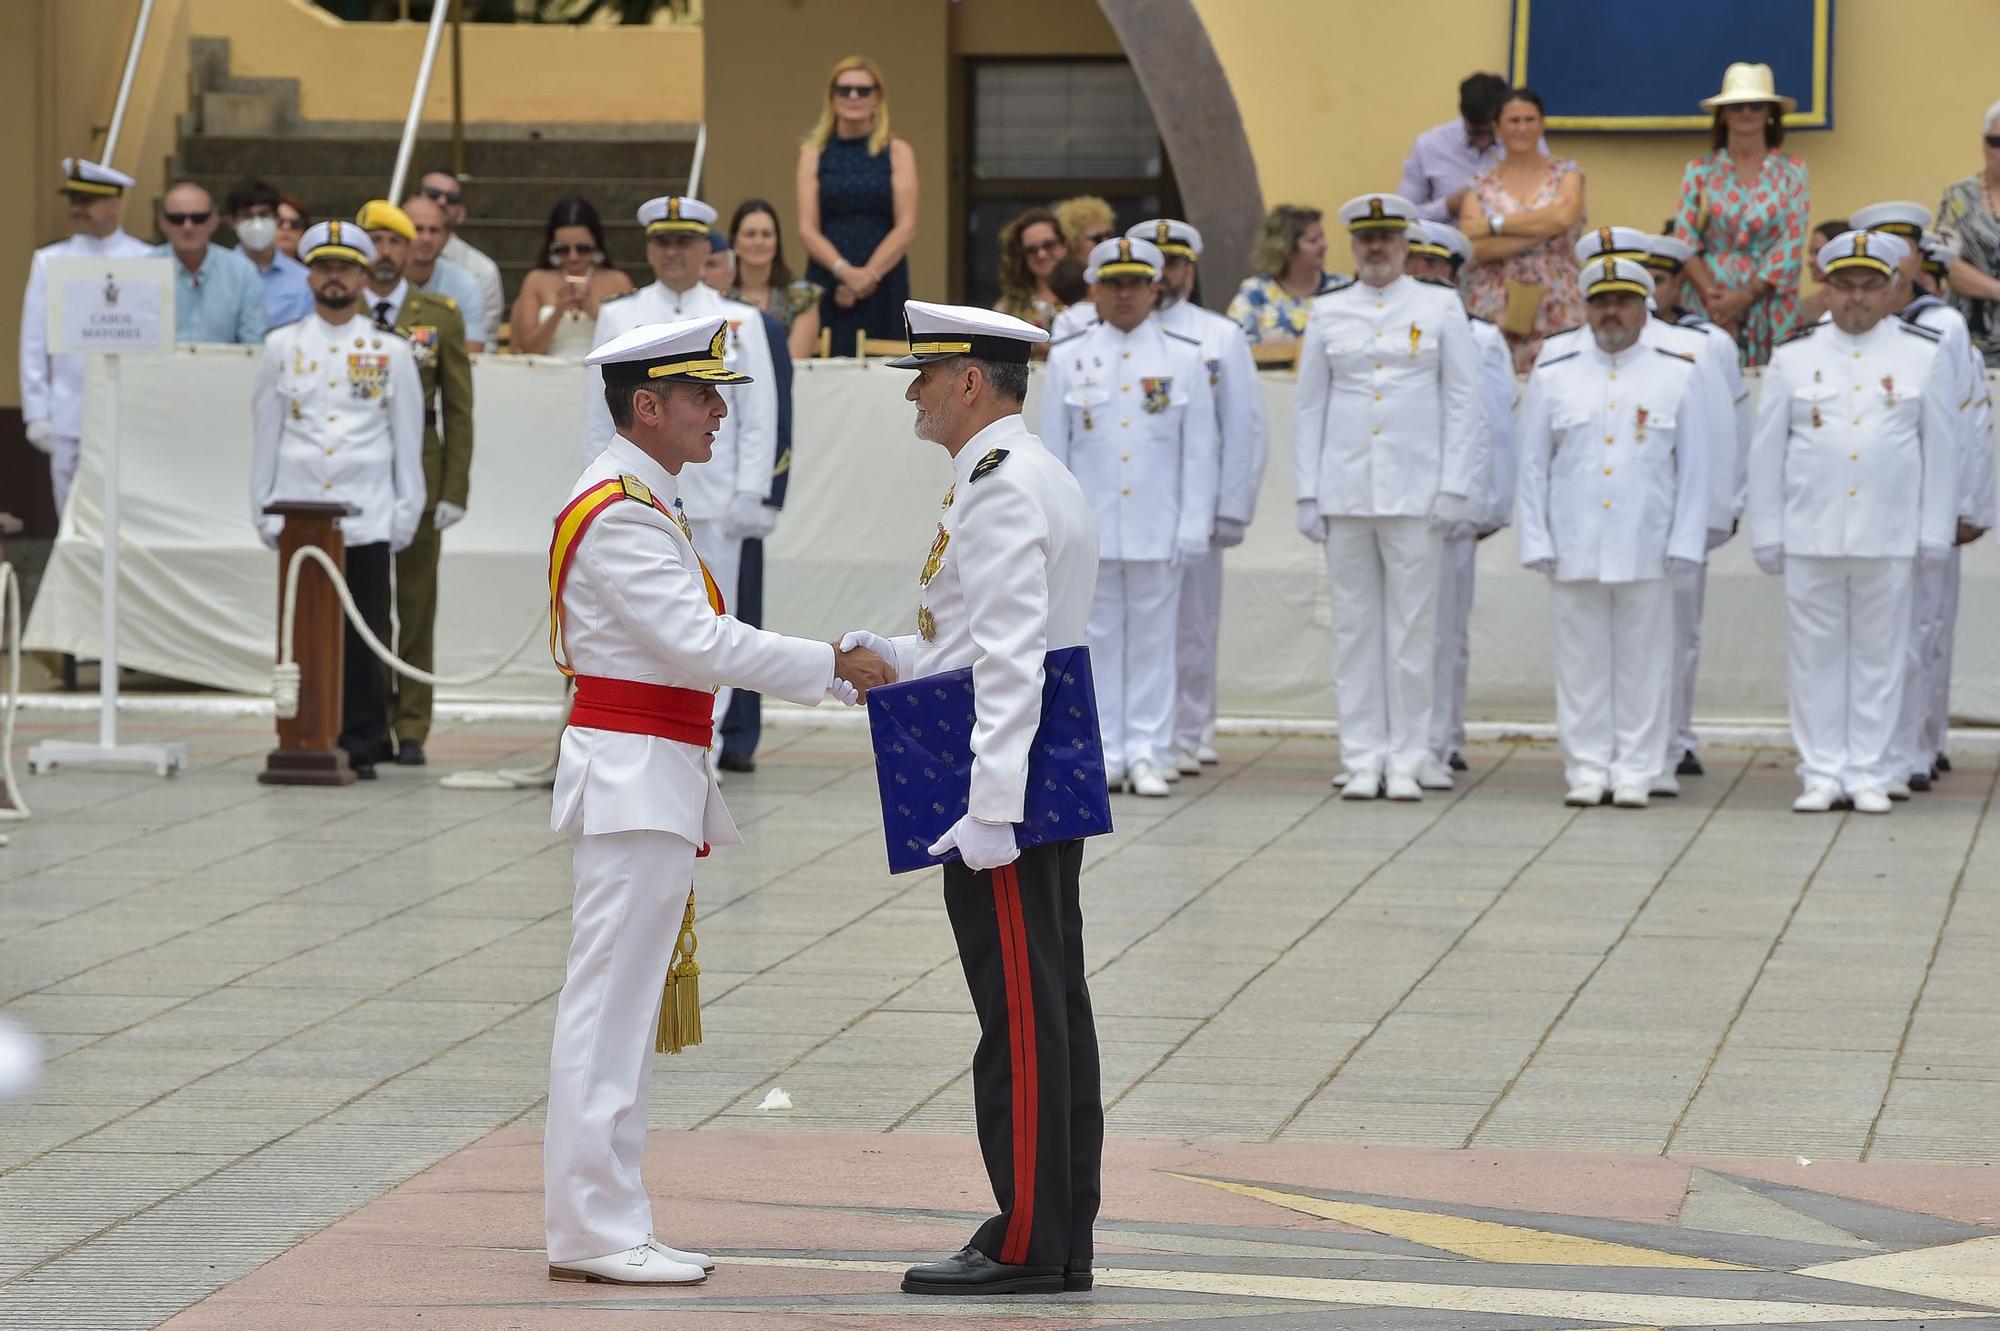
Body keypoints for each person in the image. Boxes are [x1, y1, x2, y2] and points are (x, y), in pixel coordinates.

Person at [544, 315, 892, 1286]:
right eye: (700, 395)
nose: (719, 410)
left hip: (650, 768)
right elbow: (701, 643)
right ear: (646, 406)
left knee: (618, 1009)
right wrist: (830, 665)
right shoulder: (617, 510)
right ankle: (592, 1223)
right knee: (607, 1012)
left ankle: (607, 1213)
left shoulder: (639, 497)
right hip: (634, 771)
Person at [839, 299, 1101, 1297]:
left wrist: (989, 806)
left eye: (924, 372)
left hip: (1009, 778)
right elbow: (975, 638)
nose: (912, 389)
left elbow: (1009, 656)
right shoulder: (1022, 472)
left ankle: (1029, 1237)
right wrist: (891, 658)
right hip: (1038, 760)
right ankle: (1056, 1229)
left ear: (968, 382)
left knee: (1022, 1015)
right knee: (1049, 1001)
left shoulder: (995, 485)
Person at [1747, 231, 1958, 815]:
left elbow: (1940, 451)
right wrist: (1767, 531)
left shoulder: (1921, 354)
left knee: (1882, 657)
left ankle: (1869, 769)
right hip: (1812, 532)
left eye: (1869, 287)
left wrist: (1934, 531)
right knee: (1814, 657)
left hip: (1889, 533)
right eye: (1844, 287)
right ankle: (1820, 771)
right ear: (1827, 288)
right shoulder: (1794, 357)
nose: (1856, 299)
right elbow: (1767, 455)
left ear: (1892, 288)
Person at [582, 195, 780, 759]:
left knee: (716, 619)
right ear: (649, 248)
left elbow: (759, 412)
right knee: (648, 620)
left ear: (705, 249)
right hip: (635, 495)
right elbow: (600, 417)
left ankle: (707, 743)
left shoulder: (739, 318)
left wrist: (751, 490)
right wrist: (592, 490)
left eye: (684, 241)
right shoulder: (619, 314)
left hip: (715, 495)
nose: (672, 252)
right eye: (662, 242)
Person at [1294, 193, 1478, 801]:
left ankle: (1408, 756)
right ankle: (1362, 755)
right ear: (1354, 245)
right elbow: (1310, 406)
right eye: (1366, 238)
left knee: (1412, 631)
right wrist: (1307, 491)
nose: (1376, 248)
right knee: (1352, 631)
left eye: (1387, 237)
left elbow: (1463, 404)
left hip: (1416, 493)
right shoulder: (1329, 311)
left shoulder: (1441, 306)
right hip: (1346, 492)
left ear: (1404, 243)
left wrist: (1455, 485)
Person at [1516, 257, 1712, 809]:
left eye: (1622, 301)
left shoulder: (1677, 371)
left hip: (1647, 539)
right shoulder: (1555, 372)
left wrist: (1685, 541)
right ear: (1586, 306)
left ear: (1643, 307)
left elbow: (1695, 467)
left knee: (1646, 663)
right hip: (1575, 538)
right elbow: (1533, 464)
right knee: (1579, 664)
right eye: (1600, 301)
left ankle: (1637, 769)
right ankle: (1586, 767)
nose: (1611, 312)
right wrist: (1536, 537)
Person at [1042, 238, 1217, 798]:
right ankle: (1104, 751)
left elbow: (1200, 451)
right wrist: (1054, 529)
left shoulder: (1183, 355)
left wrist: (1194, 525)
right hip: (1090, 528)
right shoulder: (1068, 356)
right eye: (1114, 284)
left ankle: (1149, 750)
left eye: (1136, 283)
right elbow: (1053, 452)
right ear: (1094, 289)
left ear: (1155, 288)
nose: (1125, 294)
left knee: (1155, 642)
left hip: (1157, 525)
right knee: (1091, 642)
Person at [248, 221, 423, 779]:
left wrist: (406, 508)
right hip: (299, 513)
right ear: (310, 276)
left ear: (362, 276)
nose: (333, 278)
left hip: (365, 511)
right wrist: (262, 505)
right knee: (304, 631)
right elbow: (266, 433)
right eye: (323, 268)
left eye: (344, 268)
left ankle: (364, 741)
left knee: (364, 631)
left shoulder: (390, 350)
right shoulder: (282, 346)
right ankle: (304, 731)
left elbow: (407, 438)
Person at [1848, 202, 1995, 798]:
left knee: (1927, 627)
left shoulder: (1944, 327)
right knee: (1879, 631)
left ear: (1917, 258)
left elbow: (1968, 422)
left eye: (1900, 249)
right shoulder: (1858, 325)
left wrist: (1967, 505)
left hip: (1931, 503)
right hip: (1877, 501)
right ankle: (1888, 744)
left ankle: (1919, 743)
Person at [1126, 218, 1267, 776]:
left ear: (1189, 269)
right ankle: (1141, 736)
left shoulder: (1219, 335)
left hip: (1197, 505)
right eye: (1155, 264)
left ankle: (1190, 729)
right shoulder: (1109, 333)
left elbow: (1245, 428)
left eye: (1176, 264)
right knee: (1131, 627)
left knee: (1194, 623)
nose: (1166, 275)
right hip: (1136, 507)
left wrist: (1231, 506)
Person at [357, 199, 475, 768]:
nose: (384, 253)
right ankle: (367, 715)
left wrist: (455, 488)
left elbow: (458, 408)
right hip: (357, 477)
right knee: (365, 601)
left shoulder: (439, 314)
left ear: (412, 250)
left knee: (416, 604)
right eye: (374, 241)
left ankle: (411, 726)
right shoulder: (343, 311)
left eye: (394, 242)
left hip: (421, 476)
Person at [1634, 229, 1751, 782]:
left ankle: (1676, 736)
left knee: (1680, 630)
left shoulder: (1707, 344)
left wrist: (1723, 506)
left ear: (1680, 283)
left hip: (1685, 506)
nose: (1649, 292)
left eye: (1658, 280)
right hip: (1630, 506)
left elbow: (1731, 430)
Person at [1405, 221, 1514, 778]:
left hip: (1452, 508)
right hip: (1397, 503)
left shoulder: (1482, 337)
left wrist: (1485, 506)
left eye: (1435, 266)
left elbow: (1492, 426)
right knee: (1397, 629)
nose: (1424, 274)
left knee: (1444, 630)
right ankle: (1402, 739)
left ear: (1454, 274)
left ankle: (1441, 739)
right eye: (1415, 263)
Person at [18, 158, 153, 514]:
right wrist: (37, 411)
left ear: (114, 202)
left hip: (129, 412)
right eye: (74, 200)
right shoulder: (50, 260)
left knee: (127, 513)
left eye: (87, 201)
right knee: (71, 517)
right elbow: (34, 341)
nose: (77, 209)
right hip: (67, 411)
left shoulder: (146, 259)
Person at [1672, 63, 1810, 367]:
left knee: (1772, 386)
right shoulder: (1699, 170)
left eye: (1756, 105)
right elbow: (1684, 239)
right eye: (1736, 106)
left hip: (1768, 299)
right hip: (1709, 296)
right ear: (1723, 114)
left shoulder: (1792, 171)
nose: (1746, 112)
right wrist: (1716, 300)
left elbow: (1792, 239)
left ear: (1770, 112)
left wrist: (1746, 296)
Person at [1458, 88, 1585, 373]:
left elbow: (1565, 217)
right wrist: (1546, 227)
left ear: (1542, 124)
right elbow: (1473, 245)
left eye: (1530, 119)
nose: (1522, 128)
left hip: (1558, 299)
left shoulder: (1567, 172)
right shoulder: (1480, 184)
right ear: (1497, 127)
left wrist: (1494, 225)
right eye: (1514, 121)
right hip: (1494, 301)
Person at [797, 55, 917, 353]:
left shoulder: (897, 151)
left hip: (884, 279)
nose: (853, 96)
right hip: (828, 276)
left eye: (863, 90)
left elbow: (907, 226)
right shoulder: (813, 153)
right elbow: (807, 228)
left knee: (885, 369)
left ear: (877, 97)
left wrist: (868, 276)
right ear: (831, 97)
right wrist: (845, 273)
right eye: (844, 89)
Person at [1400, 72, 1548, 224]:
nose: (1482, 143)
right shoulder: (1429, 145)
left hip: (1515, 239)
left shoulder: (1526, 141)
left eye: (1490, 134)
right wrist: (1447, 207)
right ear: (1463, 115)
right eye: (1475, 134)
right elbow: (1402, 215)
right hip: (1447, 243)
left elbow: (1547, 201)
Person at [509, 197, 633, 359]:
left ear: (596, 244)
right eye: (563, 249)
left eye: (582, 248)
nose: (573, 257)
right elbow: (527, 349)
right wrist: (557, 312)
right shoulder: (536, 280)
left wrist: (593, 310)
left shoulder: (618, 281)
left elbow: (630, 345)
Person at [155, 181, 265, 345]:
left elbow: (254, 343)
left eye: (198, 218)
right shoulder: (143, 271)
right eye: (177, 219)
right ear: (162, 222)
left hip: (227, 368)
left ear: (214, 221)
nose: (188, 226)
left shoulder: (242, 272)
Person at [1936, 99, 2000, 366]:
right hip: (1972, 341)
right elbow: (1946, 263)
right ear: (1984, 145)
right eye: (1995, 141)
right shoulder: (1959, 197)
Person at [1226, 204, 1342, 348]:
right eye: (1313, 241)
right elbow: (1233, 346)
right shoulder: (1255, 293)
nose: (1324, 245)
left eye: (1322, 237)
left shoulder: (1341, 288)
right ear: (1286, 249)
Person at [726, 198, 822, 361]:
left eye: (767, 234)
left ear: (777, 242)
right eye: (750, 234)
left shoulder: (802, 296)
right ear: (735, 241)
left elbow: (793, 363)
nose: (759, 241)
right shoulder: (717, 294)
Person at [419, 168, 504, 349]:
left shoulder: (482, 270)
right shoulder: (393, 260)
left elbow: (484, 343)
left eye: (452, 198)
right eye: (433, 194)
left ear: (461, 212)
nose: (442, 202)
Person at [400, 193, 486, 353]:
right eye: (418, 229)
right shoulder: (381, 281)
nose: (426, 238)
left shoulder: (467, 285)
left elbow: (472, 354)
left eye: (434, 230)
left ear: (446, 237)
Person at [226, 178, 313, 329]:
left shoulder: (304, 279)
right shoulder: (216, 275)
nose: (257, 224)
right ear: (233, 222)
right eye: (247, 216)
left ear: (276, 218)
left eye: (264, 214)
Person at [993, 207, 1071, 333]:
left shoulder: (1089, 294)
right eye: (1031, 250)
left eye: (1049, 245)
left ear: (1064, 245)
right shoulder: (1008, 307)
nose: (1041, 254)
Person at [1796, 219, 1849, 327]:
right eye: (1810, 252)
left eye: (1817, 252)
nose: (1809, 260)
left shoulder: (1856, 304)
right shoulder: (1803, 306)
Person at [275, 194, 309, 261]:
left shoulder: (313, 269)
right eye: (279, 222)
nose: (286, 227)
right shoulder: (250, 269)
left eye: (295, 224)